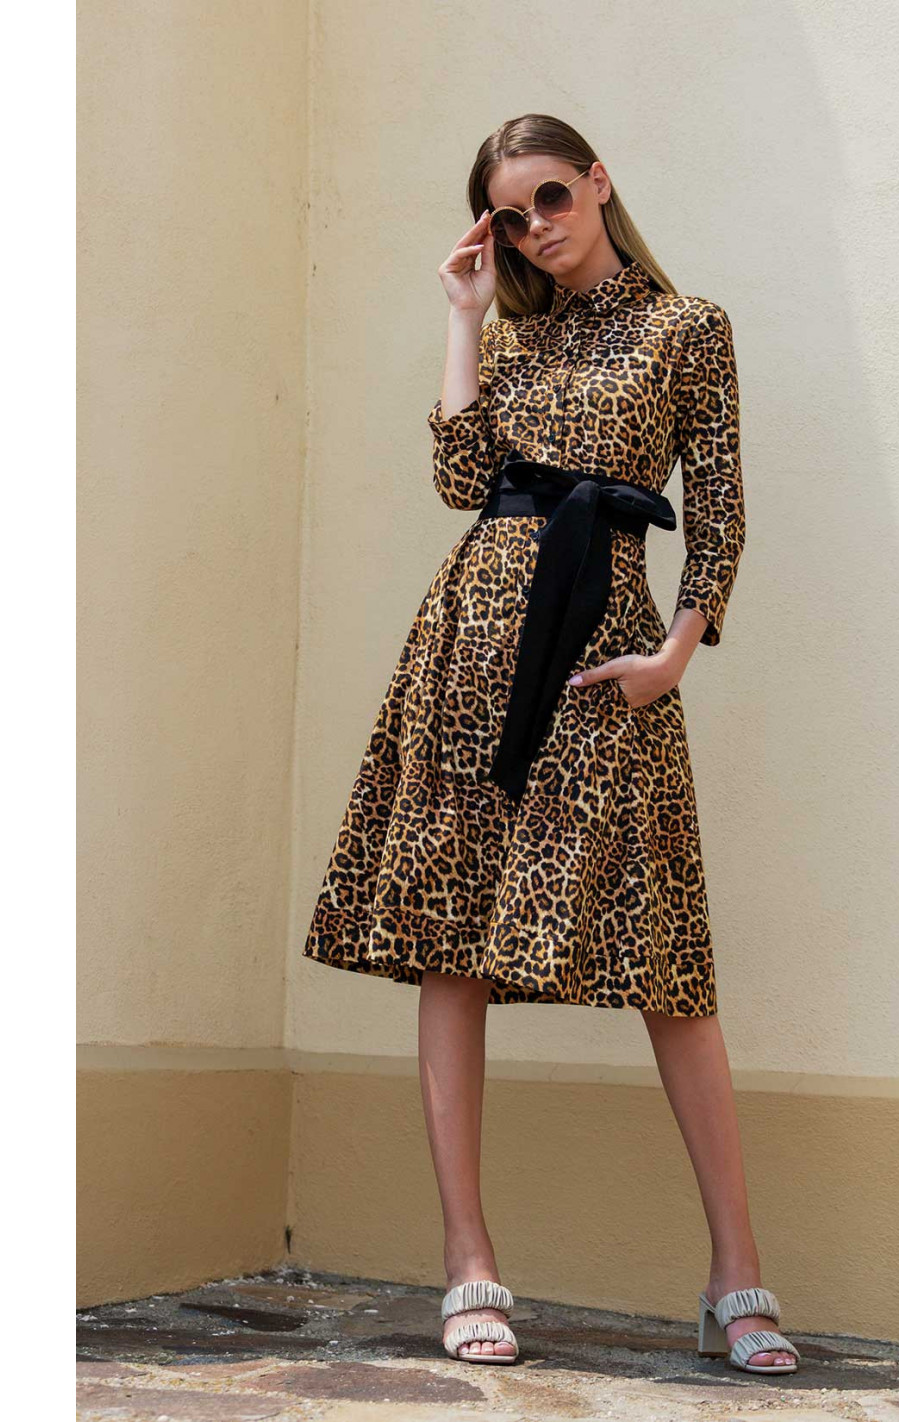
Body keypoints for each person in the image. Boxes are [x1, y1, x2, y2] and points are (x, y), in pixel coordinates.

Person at [302, 114, 799, 1376]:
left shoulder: (687, 329)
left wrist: (677, 651)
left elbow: (720, 505)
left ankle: (734, 1274)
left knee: (666, 961)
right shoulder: (513, 333)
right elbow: (458, 478)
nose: (536, 228)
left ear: (597, 182)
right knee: (450, 944)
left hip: (603, 654)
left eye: (551, 198)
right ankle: (468, 1261)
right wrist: (464, 317)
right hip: (473, 644)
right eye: (511, 216)